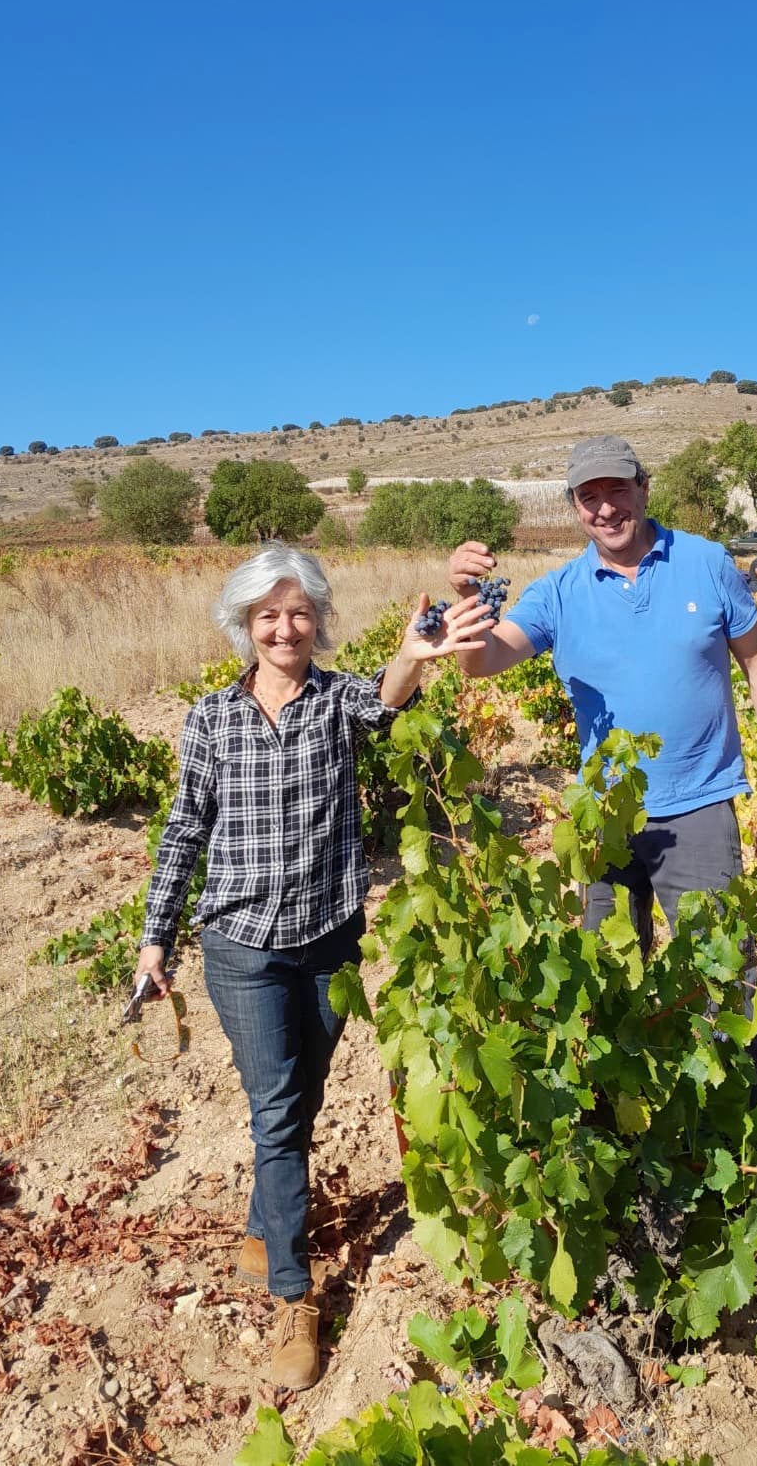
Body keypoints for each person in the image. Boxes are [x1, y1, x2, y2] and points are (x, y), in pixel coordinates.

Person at [132, 544, 484, 1391]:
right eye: (267, 615)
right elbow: (184, 832)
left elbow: (390, 699)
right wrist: (155, 937)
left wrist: (413, 650)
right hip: (242, 945)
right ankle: (295, 1294)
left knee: (304, 1090)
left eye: (298, 613)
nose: (284, 628)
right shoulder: (212, 718)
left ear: (317, 621)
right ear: (244, 626)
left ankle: (263, 1229)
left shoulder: (336, 701)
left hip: (330, 940)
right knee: (280, 1107)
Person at [446, 435, 757, 1092]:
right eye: (589, 497)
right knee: (604, 977)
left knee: (722, 975)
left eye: (617, 489)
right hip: (605, 820)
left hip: (700, 807)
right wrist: (467, 598)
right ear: (575, 509)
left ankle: (735, 1128)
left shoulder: (704, 563)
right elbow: (481, 661)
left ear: (644, 488)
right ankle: (620, 1135)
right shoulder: (558, 592)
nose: (605, 508)